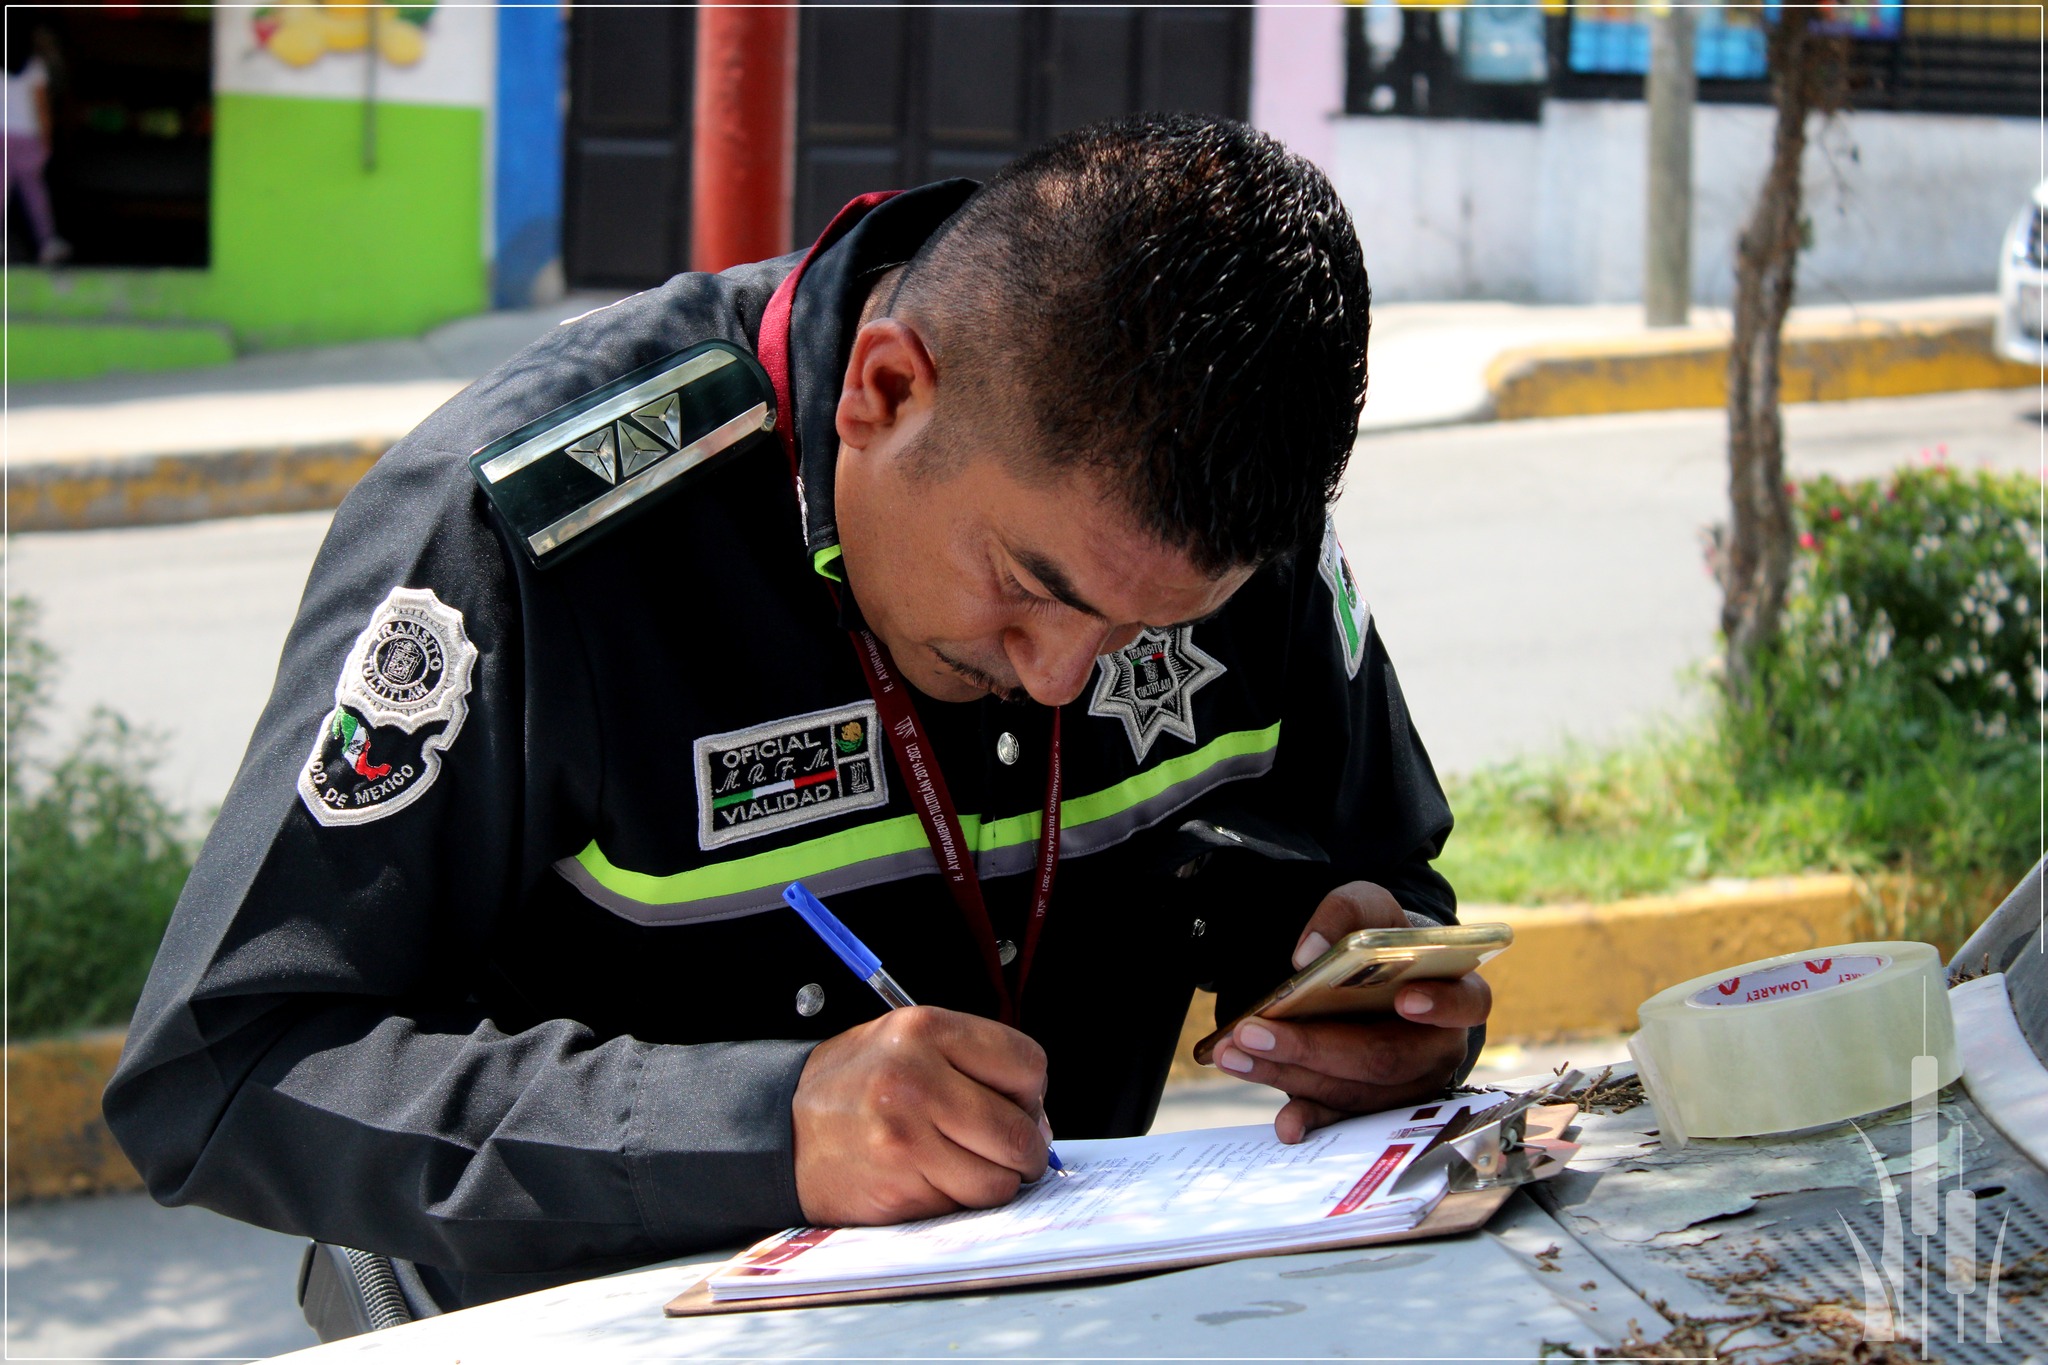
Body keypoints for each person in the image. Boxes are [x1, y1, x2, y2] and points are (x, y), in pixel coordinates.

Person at [104, 115, 1488, 1314]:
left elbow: (1360, 870)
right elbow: (222, 1069)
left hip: (1025, 1310)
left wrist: (1365, 989)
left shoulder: (1240, 508)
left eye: (1152, 632)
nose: (1067, 670)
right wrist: (761, 1129)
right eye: (1027, 587)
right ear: (883, 390)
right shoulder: (531, 528)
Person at [5, 21, 69, 267]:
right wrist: (47, 139)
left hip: (2, 136)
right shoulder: (34, 66)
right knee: (34, 193)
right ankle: (46, 242)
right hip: (27, 136)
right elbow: (42, 108)